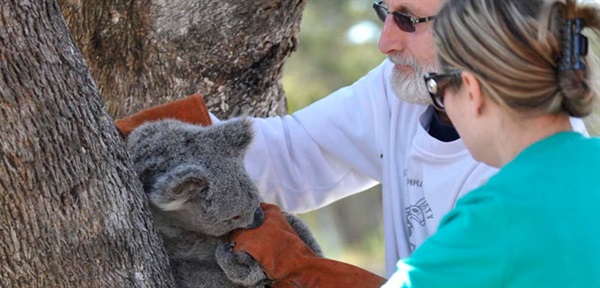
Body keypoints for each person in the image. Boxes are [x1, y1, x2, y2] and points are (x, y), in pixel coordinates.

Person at [115, 0, 589, 279]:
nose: (385, 42)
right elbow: (295, 155)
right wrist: (156, 148)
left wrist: (300, 272)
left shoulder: (497, 205)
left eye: (407, 18)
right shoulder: (581, 167)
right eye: (383, 10)